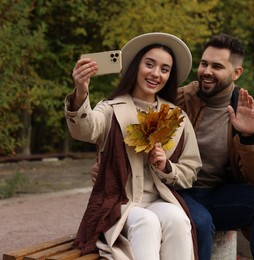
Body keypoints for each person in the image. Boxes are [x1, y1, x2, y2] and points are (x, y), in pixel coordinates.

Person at [92, 34, 254, 260]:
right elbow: (127, 122)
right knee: (200, 222)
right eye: (204, 63)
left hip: (221, 194)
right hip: (177, 192)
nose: (206, 71)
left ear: (236, 73)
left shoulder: (246, 110)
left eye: (217, 66)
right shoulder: (179, 98)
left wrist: (248, 136)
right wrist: (103, 164)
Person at [65, 32, 202, 260]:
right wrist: (81, 90)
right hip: (118, 204)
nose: (155, 73)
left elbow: (191, 169)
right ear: (135, 66)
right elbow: (85, 129)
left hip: (159, 199)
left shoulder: (176, 117)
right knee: (146, 222)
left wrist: (166, 166)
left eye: (164, 69)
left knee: (178, 218)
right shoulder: (110, 108)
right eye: (149, 64)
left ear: (170, 75)